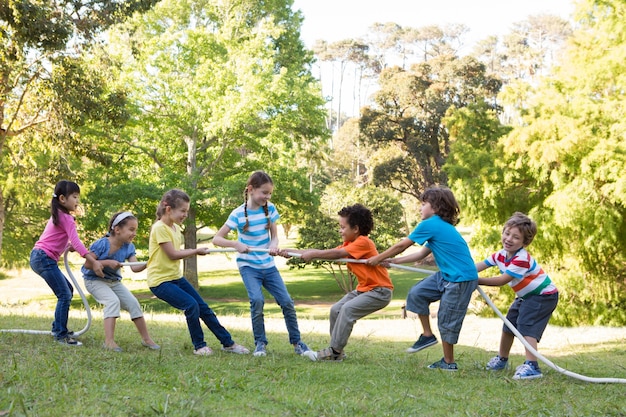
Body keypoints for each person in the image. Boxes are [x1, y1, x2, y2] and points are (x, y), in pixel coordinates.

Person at [368, 186, 478, 371]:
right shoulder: (439, 228)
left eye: (423, 204)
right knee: (417, 293)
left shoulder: (431, 224)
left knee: (446, 319)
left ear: (435, 207)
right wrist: (393, 261)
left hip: (460, 279)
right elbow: (420, 254)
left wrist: (377, 258)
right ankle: (427, 335)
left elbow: (402, 244)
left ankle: (449, 363)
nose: (420, 208)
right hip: (445, 276)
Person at [212, 171, 310, 357]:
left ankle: (297, 343)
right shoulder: (237, 214)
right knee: (257, 300)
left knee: (287, 302)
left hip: (268, 265)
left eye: (270, 193)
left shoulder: (270, 209)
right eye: (264, 192)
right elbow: (217, 239)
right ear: (251, 189)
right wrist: (235, 244)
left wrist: (274, 245)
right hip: (248, 266)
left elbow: (274, 237)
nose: (267, 196)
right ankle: (260, 343)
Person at [285, 204, 394, 362]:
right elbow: (322, 253)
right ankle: (337, 353)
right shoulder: (349, 244)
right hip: (364, 290)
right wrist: (288, 251)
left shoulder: (364, 242)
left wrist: (314, 254)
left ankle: (333, 352)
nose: (339, 230)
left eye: (342, 227)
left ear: (355, 229)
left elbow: (336, 254)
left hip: (380, 291)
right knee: (336, 309)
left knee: (347, 310)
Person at [147, 189, 249, 356]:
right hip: (160, 282)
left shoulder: (175, 228)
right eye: (183, 211)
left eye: (186, 211)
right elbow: (172, 254)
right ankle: (199, 346)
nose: (185, 215)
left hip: (175, 278)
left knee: (203, 308)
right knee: (191, 305)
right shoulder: (159, 228)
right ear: (168, 209)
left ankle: (228, 343)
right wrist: (195, 251)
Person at [476, 212, 559, 380]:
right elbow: (479, 265)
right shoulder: (500, 255)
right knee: (509, 325)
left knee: (526, 325)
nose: (508, 239)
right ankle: (502, 359)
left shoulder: (521, 259)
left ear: (524, 242)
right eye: (507, 233)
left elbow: (502, 280)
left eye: (515, 237)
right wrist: (462, 273)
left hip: (543, 296)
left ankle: (532, 366)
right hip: (525, 296)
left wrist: (475, 280)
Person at [30, 180, 105, 346]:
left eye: (78, 197)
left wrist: (67, 246)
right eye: (75, 197)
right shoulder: (66, 218)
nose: (77, 201)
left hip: (40, 257)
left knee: (67, 291)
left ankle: (58, 327)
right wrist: (91, 258)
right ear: (63, 198)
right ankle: (60, 334)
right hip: (43, 258)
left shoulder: (59, 215)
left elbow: (57, 239)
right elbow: (77, 242)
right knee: (64, 294)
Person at [82, 211, 160, 352]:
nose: (134, 233)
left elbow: (135, 267)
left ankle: (147, 339)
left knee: (133, 304)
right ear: (117, 230)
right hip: (94, 280)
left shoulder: (129, 247)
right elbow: (88, 264)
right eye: (131, 229)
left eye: (135, 230)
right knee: (113, 301)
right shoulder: (102, 244)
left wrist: (150, 262)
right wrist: (107, 262)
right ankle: (109, 342)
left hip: (113, 282)